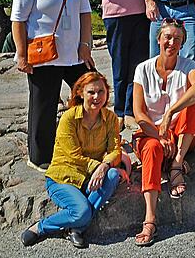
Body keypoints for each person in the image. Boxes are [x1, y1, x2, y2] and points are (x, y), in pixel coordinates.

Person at [12, 0, 94, 171]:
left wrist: (85, 44)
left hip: (73, 53)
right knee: (43, 106)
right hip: (44, 54)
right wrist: (21, 54)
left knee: (91, 92)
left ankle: (86, 143)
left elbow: (85, 13)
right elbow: (18, 20)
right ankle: (39, 157)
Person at [19, 72, 122, 248]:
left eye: (101, 91)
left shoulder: (110, 118)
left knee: (112, 174)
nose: (97, 97)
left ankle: (76, 228)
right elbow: (73, 156)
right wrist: (99, 166)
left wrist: (105, 166)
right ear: (80, 93)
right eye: (91, 92)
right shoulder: (69, 118)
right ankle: (41, 227)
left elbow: (115, 150)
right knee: (82, 211)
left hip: (90, 177)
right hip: (64, 177)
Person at [132, 19, 195, 246]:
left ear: (182, 43)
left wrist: (171, 112)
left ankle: (176, 164)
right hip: (151, 135)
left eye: (177, 38)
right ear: (158, 39)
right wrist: (158, 135)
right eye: (168, 37)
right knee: (153, 148)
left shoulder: (188, 65)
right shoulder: (143, 68)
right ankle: (150, 219)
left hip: (182, 135)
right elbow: (139, 113)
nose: (172, 42)